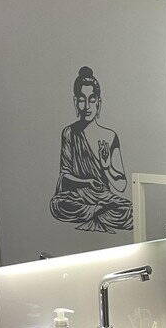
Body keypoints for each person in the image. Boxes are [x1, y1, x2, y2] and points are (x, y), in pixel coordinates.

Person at [49, 66, 133, 233]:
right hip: (77, 197)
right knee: (57, 205)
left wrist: (106, 167)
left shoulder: (110, 136)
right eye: (82, 100)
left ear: (99, 103)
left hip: (104, 198)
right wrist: (87, 182)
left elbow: (121, 185)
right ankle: (97, 211)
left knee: (131, 212)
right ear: (75, 102)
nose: (87, 106)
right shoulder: (69, 133)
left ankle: (95, 211)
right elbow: (64, 175)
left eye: (92, 100)